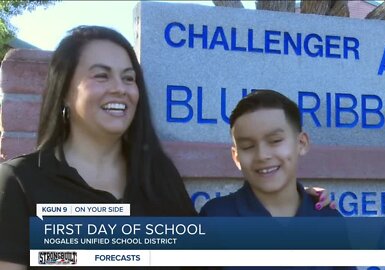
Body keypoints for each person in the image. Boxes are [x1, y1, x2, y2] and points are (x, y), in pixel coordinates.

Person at [0, 27, 331, 270]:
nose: (120, 89)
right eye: (101, 76)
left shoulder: (159, 178)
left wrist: (292, 197)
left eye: (129, 78)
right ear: (64, 90)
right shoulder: (18, 183)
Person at [200, 90, 355, 269]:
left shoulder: (328, 220)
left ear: (301, 144)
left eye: (275, 141)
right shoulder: (216, 218)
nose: (262, 155)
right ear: (236, 157)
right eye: (248, 146)